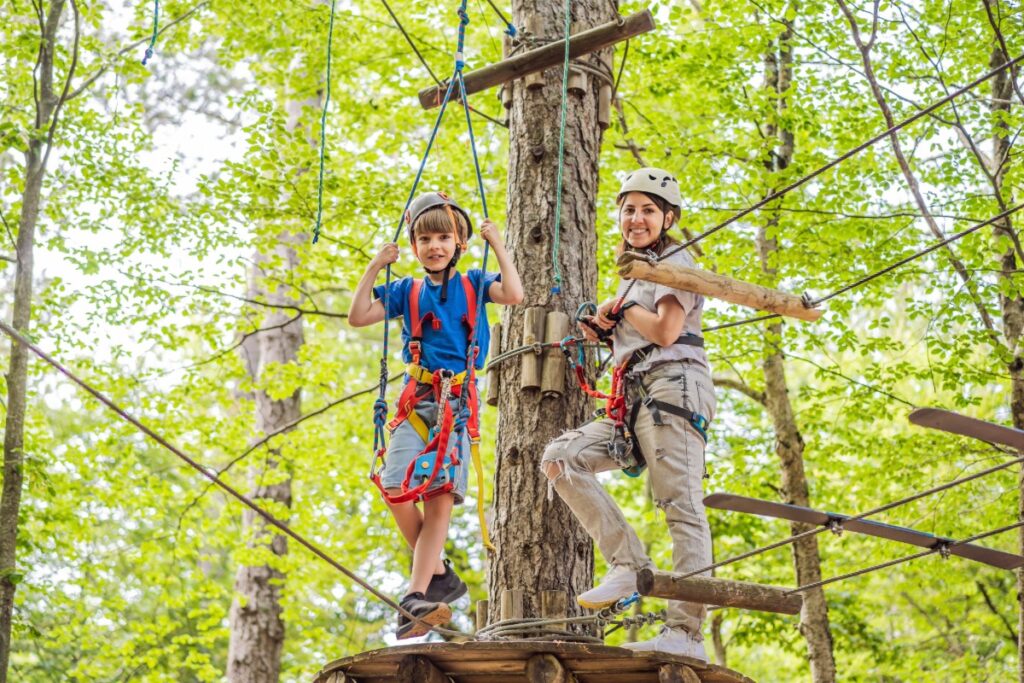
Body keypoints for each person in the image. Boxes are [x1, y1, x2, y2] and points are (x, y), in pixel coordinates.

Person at [541, 168, 716, 660]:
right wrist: (606, 325)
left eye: (648, 210)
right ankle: (627, 565)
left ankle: (686, 633)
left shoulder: (674, 262)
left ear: (668, 218)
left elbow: (664, 331)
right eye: (629, 209)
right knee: (561, 458)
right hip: (635, 393)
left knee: (680, 503)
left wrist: (618, 310)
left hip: (674, 386)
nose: (636, 218)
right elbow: (637, 331)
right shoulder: (636, 272)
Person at [349, 191, 523, 639]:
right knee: (394, 485)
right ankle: (440, 575)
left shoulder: (474, 284)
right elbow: (358, 316)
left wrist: (497, 243)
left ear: (459, 244)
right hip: (418, 397)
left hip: (456, 404)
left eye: (443, 237)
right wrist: (374, 265)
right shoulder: (405, 290)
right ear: (413, 245)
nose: (434, 246)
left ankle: (416, 594)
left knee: (439, 497)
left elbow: (515, 294)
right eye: (424, 238)